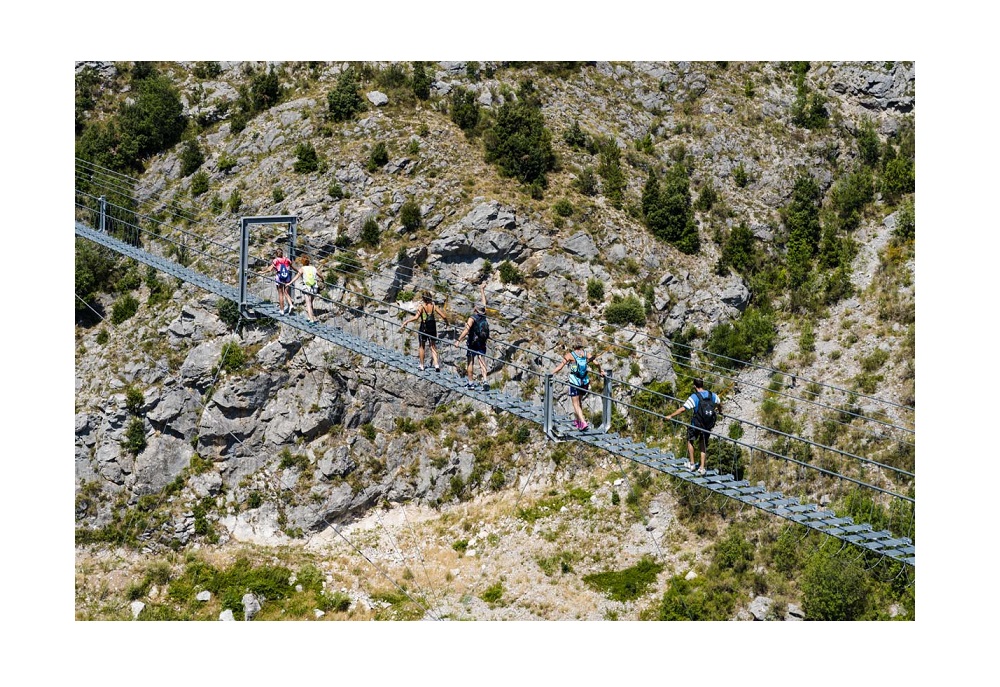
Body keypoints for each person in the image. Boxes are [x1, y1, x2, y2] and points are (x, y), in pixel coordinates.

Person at [666, 378, 721, 476]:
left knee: (690, 440)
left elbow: (683, 409)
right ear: (702, 384)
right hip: (707, 425)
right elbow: (719, 402)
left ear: (694, 386)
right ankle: (702, 467)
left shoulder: (694, 397)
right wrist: (720, 411)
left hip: (696, 424)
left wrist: (671, 415)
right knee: (703, 444)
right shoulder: (711, 394)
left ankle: (692, 464)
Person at [552, 337, 601, 430]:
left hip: (575, 381)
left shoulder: (570, 355)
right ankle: (579, 422)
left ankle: (583, 422)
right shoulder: (586, 354)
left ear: (573, 345)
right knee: (579, 402)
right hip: (584, 381)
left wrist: (550, 374)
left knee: (575, 403)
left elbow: (560, 367)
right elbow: (597, 364)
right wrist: (601, 371)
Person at [453, 283, 490, 391]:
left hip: (472, 342)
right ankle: (485, 380)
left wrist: (458, 340)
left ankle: (471, 383)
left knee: (470, 362)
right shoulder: (484, 314)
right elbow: (484, 303)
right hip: (482, 342)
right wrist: (482, 290)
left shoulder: (472, 318)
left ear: (475, 309)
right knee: (482, 360)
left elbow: (466, 330)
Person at [400, 291, 448, 371]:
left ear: (423, 298)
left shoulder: (421, 307)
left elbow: (416, 317)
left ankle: (422, 365)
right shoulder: (434, 306)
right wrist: (447, 323)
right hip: (432, 327)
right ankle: (436, 365)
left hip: (424, 328)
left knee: (422, 346)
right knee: (433, 346)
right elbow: (444, 316)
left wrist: (406, 322)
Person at [291, 254, 322, 322]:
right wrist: (323, 280)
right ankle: (310, 316)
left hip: (307, 287)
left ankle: (311, 319)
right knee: (311, 302)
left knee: (308, 303)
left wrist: (290, 283)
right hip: (314, 288)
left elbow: (296, 277)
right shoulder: (313, 268)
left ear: (302, 262)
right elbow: (320, 275)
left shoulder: (302, 268)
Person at [266, 248, 294, 315]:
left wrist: (263, 271)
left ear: (276, 253)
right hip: (287, 277)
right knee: (286, 292)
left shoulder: (276, 260)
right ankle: (291, 305)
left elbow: (269, 269)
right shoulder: (287, 259)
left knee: (280, 294)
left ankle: (282, 310)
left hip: (279, 278)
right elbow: (292, 266)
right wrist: (299, 271)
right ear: (282, 253)